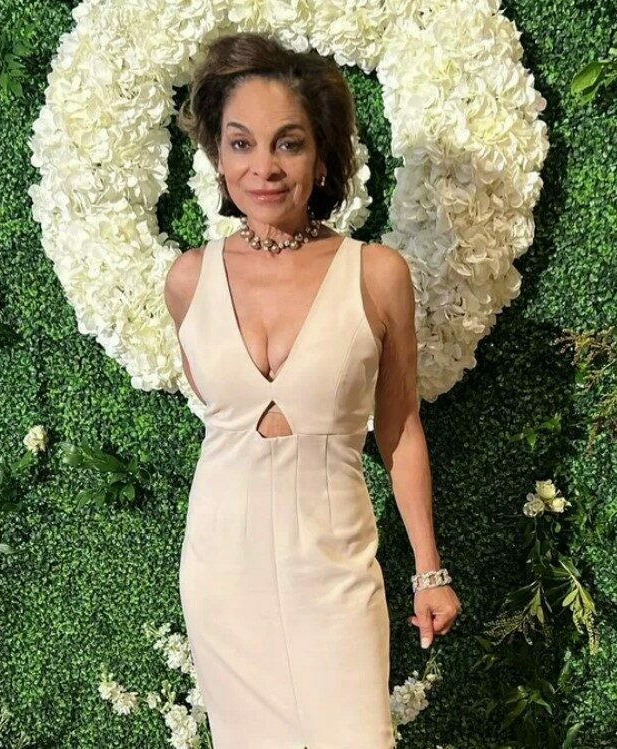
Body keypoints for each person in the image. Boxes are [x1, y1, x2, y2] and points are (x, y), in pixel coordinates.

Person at [163, 31, 461, 749]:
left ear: (322, 155)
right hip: (220, 566)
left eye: (288, 144)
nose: (263, 167)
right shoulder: (188, 280)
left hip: (334, 566)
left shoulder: (377, 274)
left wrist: (429, 570)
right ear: (217, 155)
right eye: (241, 143)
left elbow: (400, 427)